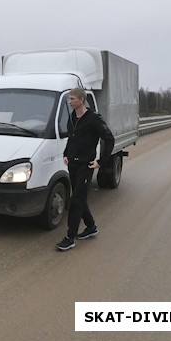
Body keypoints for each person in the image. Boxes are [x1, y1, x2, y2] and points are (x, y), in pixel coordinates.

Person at [56, 88, 115, 251]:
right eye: (69, 99)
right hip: (72, 164)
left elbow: (109, 138)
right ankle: (91, 227)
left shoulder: (93, 118)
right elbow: (71, 138)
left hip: (86, 166)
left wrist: (101, 161)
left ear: (82, 99)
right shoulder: (72, 117)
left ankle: (70, 237)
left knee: (75, 201)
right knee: (79, 198)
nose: (69, 102)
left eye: (72, 99)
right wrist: (66, 153)